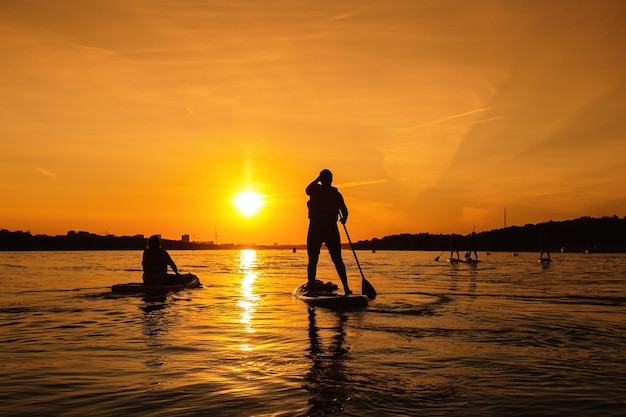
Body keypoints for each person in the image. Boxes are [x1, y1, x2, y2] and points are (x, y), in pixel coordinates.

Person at [306, 169, 351, 296]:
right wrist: (344, 218)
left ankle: (346, 287)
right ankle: (346, 288)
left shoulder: (327, 192)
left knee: (320, 260)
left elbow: (344, 210)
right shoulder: (320, 191)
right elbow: (307, 190)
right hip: (323, 230)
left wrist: (344, 218)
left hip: (322, 230)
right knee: (322, 259)